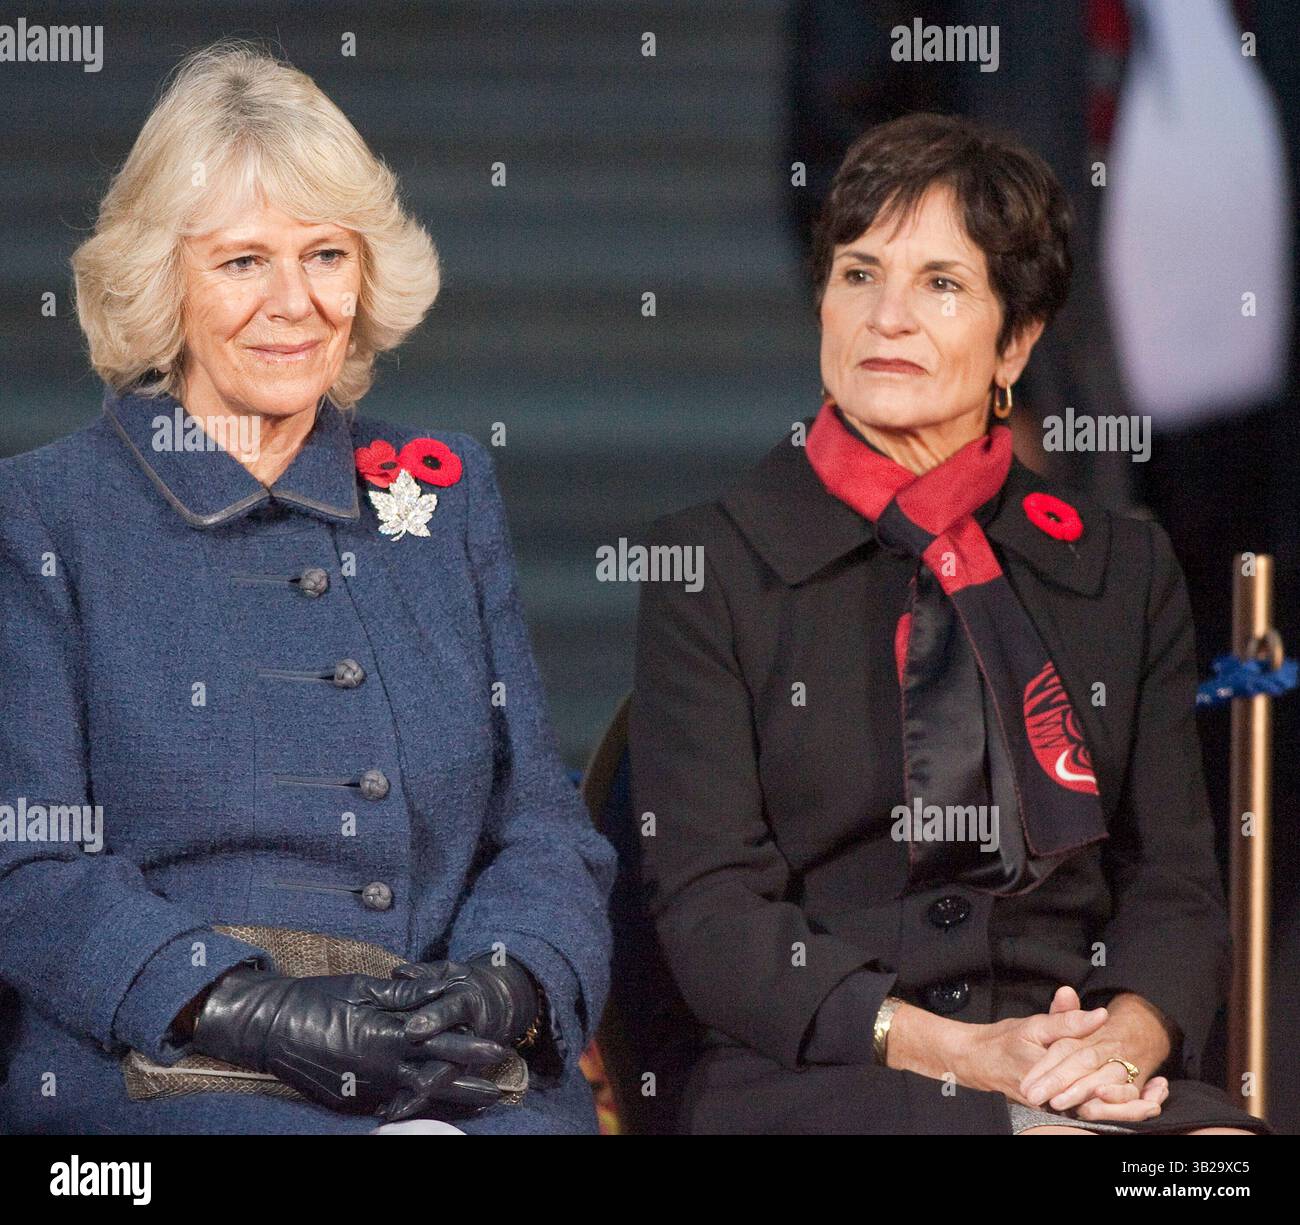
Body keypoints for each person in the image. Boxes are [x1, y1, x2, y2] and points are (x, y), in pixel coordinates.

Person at [0, 40, 615, 1136]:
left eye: (325, 255)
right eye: (242, 262)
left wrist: (500, 987)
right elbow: (30, 866)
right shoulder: (45, 514)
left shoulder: (445, 489)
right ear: (161, 279)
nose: (294, 303)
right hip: (171, 1063)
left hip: (448, 1064)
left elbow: (542, 831)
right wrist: (248, 1006)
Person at [630, 112, 1270, 1134]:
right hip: (821, 1077)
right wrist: (966, 1055)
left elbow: (1175, 886)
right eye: (857, 273)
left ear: (1014, 339)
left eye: (940, 283)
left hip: (1074, 1070)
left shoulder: (1119, 567)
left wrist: (1123, 1039)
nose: (887, 316)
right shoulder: (711, 564)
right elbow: (713, 918)